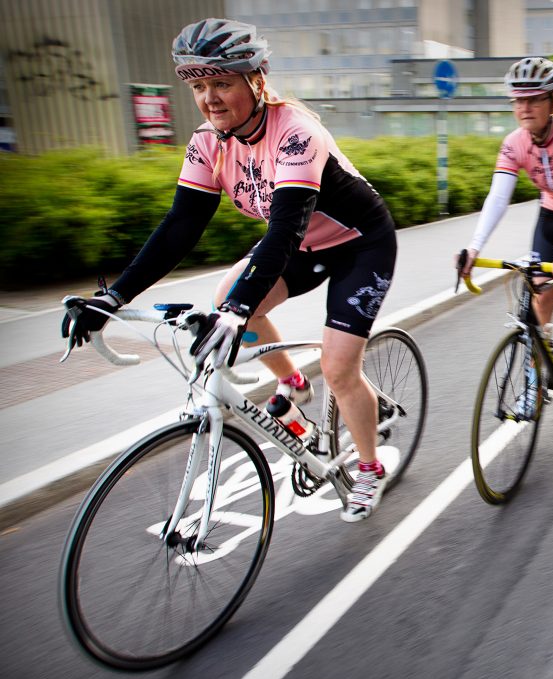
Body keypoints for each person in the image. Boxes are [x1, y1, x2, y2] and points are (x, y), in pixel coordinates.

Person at [60, 18, 397, 522]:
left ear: (256, 81)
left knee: (339, 367)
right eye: (198, 85)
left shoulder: (296, 134)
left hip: (359, 245)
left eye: (221, 82)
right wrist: (113, 298)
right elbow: (180, 226)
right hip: (302, 245)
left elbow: (282, 231)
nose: (209, 98)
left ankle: (368, 467)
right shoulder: (208, 142)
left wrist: (240, 312)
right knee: (226, 296)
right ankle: (293, 388)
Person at [458, 56, 553, 412]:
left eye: (534, 99)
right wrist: (473, 247)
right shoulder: (514, 143)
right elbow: (498, 197)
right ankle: (535, 384)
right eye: (518, 100)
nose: (525, 107)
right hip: (550, 215)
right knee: (541, 295)